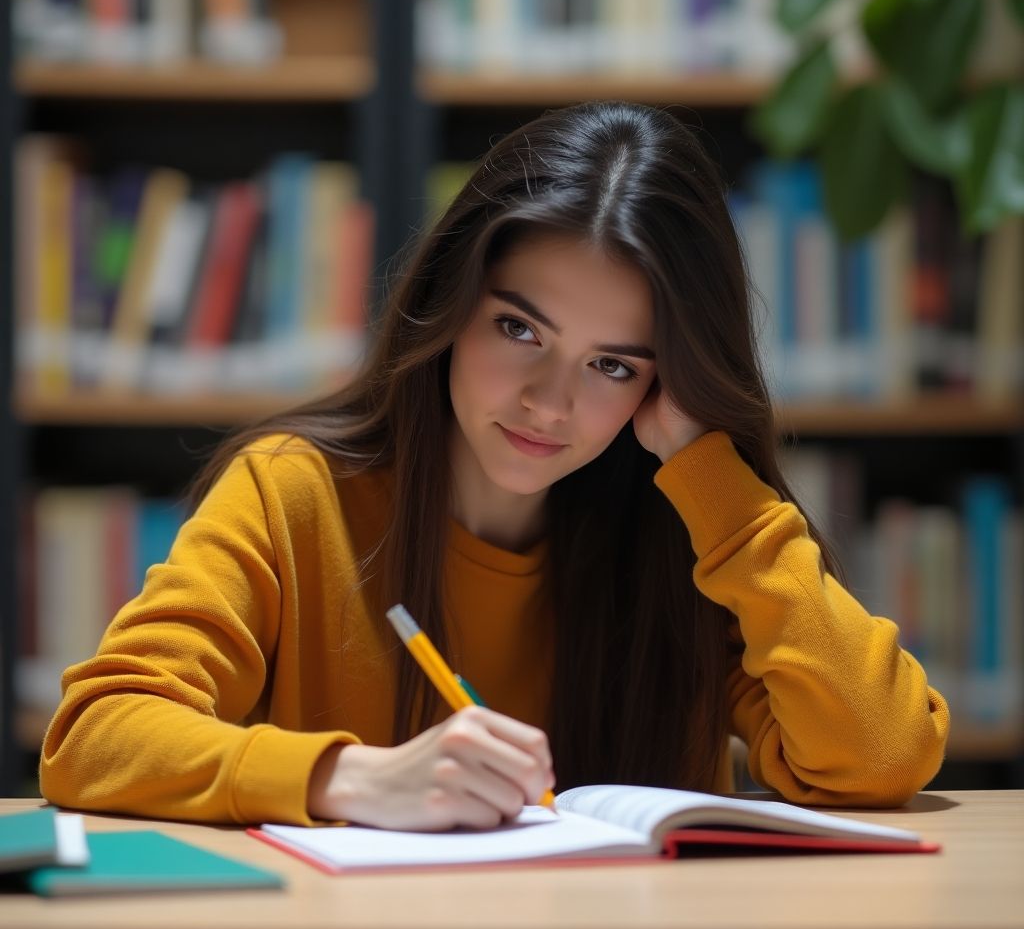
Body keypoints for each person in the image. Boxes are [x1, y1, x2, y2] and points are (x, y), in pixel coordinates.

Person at [40, 102, 949, 830]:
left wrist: (714, 475)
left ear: (668, 379)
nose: (549, 403)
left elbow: (879, 755)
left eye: (614, 364)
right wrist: (349, 779)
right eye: (519, 329)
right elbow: (94, 736)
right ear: (450, 305)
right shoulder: (295, 492)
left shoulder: (690, 537)